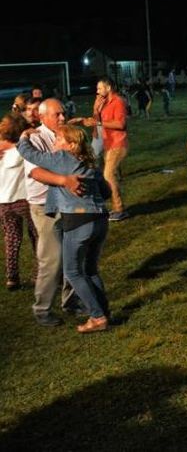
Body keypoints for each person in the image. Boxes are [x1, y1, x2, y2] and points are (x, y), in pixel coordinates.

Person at [17, 125, 112, 333]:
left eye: (59, 139)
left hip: (78, 222)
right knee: (90, 270)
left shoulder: (63, 158)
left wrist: (24, 136)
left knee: (72, 271)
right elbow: (106, 192)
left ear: (71, 145)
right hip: (100, 220)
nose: (55, 142)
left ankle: (97, 317)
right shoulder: (90, 161)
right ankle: (104, 311)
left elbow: (29, 154)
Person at [24, 99, 84, 326]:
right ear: (43, 117)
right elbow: (37, 172)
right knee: (52, 258)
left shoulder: (67, 134)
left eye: (63, 113)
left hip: (67, 202)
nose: (62, 117)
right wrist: (64, 180)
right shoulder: (34, 138)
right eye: (57, 114)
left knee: (73, 253)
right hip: (44, 207)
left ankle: (71, 301)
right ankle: (42, 310)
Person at [71, 77, 130, 222]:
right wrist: (94, 110)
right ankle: (117, 207)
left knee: (108, 175)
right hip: (108, 142)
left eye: (99, 88)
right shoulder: (103, 102)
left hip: (118, 143)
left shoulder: (118, 102)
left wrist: (98, 122)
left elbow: (120, 124)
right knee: (109, 175)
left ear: (108, 88)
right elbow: (97, 122)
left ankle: (119, 209)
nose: (97, 91)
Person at [0, 114, 38, 290]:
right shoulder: (21, 150)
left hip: (3, 202)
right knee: (36, 236)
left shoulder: (1, 151)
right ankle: (39, 273)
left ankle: (12, 277)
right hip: (23, 199)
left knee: (11, 238)